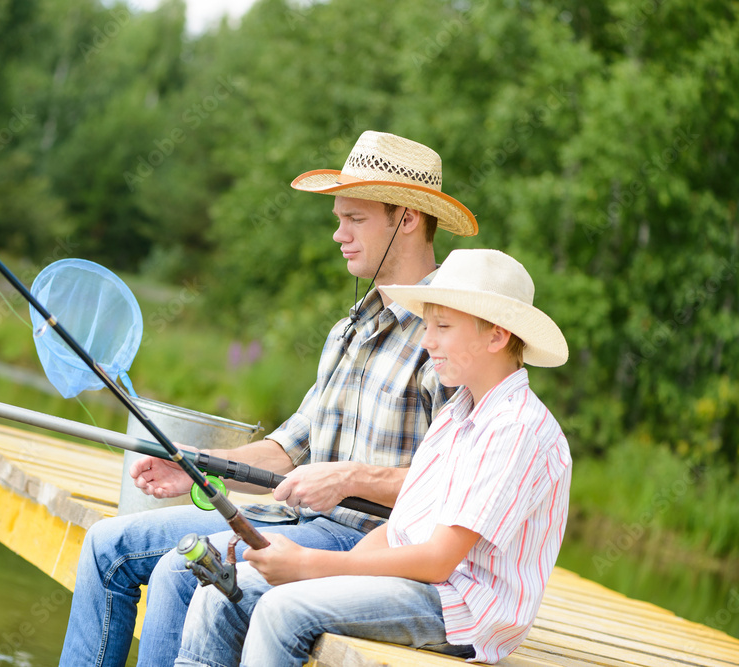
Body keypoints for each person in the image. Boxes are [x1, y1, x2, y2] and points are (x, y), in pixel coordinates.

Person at [59, 131, 478, 666]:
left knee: (179, 571)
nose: (338, 234)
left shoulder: (446, 339)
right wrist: (198, 469)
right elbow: (288, 450)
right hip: (295, 519)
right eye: (338, 218)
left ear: (407, 219)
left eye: (355, 219)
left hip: (370, 547)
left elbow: (453, 489)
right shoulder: (347, 330)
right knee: (104, 547)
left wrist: (349, 478)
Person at [175, 248, 572, 667]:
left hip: (458, 607)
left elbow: (438, 560)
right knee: (223, 591)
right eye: (426, 325)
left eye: (443, 326)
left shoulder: (515, 426)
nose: (426, 340)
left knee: (281, 611)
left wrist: (309, 564)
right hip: (415, 581)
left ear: (497, 336)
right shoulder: (459, 413)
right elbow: (399, 530)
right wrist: (310, 563)